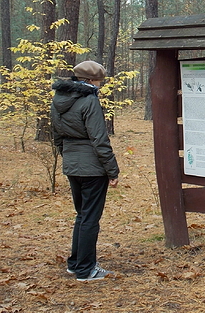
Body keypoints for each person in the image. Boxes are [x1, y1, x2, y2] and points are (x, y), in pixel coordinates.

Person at [51, 60, 120, 281]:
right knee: (90, 218)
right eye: (99, 80)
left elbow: (58, 137)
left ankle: (75, 263)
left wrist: (68, 157)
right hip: (92, 168)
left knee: (82, 216)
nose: (100, 83)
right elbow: (100, 139)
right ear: (90, 80)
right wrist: (112, 170)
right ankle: (86, 270)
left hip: (73, 165)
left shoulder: (58, 99)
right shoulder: (89, 101)